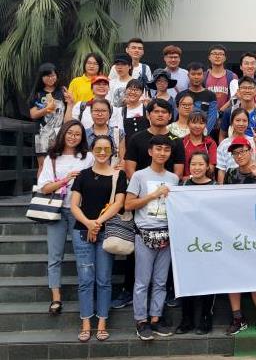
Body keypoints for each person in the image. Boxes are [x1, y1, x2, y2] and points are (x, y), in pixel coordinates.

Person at [70, 135, 126, 342]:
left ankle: (102, 322)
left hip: (106, 232)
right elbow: (74, 205)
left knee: (103, 279)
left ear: (112, 151)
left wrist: (98, 223)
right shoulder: (83, 175)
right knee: (85, 280)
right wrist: (88, 223)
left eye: (107, 149)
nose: (102, 152)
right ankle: (86, 322)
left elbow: (118, 203)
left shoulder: (118, 175)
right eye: (98, 148)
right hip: (81, 231)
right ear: (92, 150)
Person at [37, 120, 94, 316]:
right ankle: (56, 297)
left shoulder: (88, 157)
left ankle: (85, 293)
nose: (73, 137)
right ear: (63, 133)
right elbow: (44, 188)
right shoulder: (52, 158)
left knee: (83, 255)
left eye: (77, 134)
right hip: (57, 211)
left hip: (80, 212)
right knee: (55, 255)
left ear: (82, 137)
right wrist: (65, 180)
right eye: (70, 133)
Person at [125, 135, 179, 341]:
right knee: (142, 281)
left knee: (161, 281)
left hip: (166, 233)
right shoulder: (139, 176)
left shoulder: (173, 178)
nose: (162, 153)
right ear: (150, 151)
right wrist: (153, 195)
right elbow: (128, 204)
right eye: (158, 148)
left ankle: (156, 318)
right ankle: (141, 320)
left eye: (166, 149)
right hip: (144, 233)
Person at [223, 136, 256, 334]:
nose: (239, 156)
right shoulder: (230, 174)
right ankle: (237, 317)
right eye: (235, 153)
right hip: (234, 232)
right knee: (232, 274)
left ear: (250, 151)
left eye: (242, 151)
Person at [176, 152, 215, 335]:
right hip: (186, 241)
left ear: (207, 166)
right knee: (186, 278)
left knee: (208, 279)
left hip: (209, 243)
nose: (197, 168)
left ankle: (206, 318)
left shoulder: (216, 187)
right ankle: (187, 319)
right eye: (193, 164)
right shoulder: (182, 186)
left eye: (200, 164)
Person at [30, 63, 74, 176]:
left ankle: (56, 186)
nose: (51, 78)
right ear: (41, 77)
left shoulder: (62, 91)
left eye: (53, 75)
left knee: (57, 163)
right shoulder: (38, 94)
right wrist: (46, 109)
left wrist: (70, 103)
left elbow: (68, 116)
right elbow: (33, 114)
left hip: (59, 133)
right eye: (47, 76)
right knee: (43, 165)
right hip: (42, 133)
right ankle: (41, 187)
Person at [124, 98, 185, 180]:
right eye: (156, 111)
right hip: (141, 186)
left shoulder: (176, 140)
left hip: (168, 186)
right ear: (148, 115)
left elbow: (179, 173)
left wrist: (165, 186)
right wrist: (142, 185)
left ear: (170, 116)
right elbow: (129, 170)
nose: (160, 115)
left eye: (164, 112)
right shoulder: (136, 139)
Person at [221, 76, 256, 143]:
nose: (247, 91)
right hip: (235, 148)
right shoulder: (230, 112)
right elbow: (222, 135)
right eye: (244, 88)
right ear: (238, 91)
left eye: (250, 88)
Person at [216, 108, 256, 184]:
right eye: (238, 120)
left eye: (244, 121)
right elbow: (221, 170)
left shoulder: (253, 141)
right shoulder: (224, 144)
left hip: (251, 183)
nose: (241, 124)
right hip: (231, 183)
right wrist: (222, 189)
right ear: (231, 122)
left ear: (248, 123)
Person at [85, 99, 125, 168]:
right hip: (88, 172)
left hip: (112, 171)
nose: (100, 114)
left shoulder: (118, 133)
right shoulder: (84, 134)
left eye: (103, 111)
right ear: (91, 113)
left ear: (109, 113)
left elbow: (122, 159)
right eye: (96, 110)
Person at [180, 61, 217, 135]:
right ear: (188, 75)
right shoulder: (181, 95)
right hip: (184, 134)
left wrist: (203, 134)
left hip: (204, 135)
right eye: (193, 74)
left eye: (199, 74)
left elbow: (212, 118)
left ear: (203, 75)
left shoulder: (211, 95)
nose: (196, 77)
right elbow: (179, 117)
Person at [183, 112, 217, 179]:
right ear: (188, 124)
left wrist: (195, 177)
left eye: (201, 123)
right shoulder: (182, 142)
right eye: (194, 123)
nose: (197, 126)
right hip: (185, 182)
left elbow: (211, 168)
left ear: (205, 125)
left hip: (205, 182)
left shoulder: (210, 143)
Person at [204, 44, 237, 113]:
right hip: (207, 114)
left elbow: (236, 97)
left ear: (225, 58)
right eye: (214, 54)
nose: (217, 56)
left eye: (220, 54)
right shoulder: (204, 76)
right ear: (209, 57)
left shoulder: (232, 76)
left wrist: (221, 111)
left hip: (227, 114)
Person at [119, 79, 150, 145]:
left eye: (136, 90)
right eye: (130, 89)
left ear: (142, 93)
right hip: (129, 147)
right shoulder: (122, 110)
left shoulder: (146, 107)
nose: (133, 92)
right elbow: (121, 134)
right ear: (125, 91)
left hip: (146, 146)